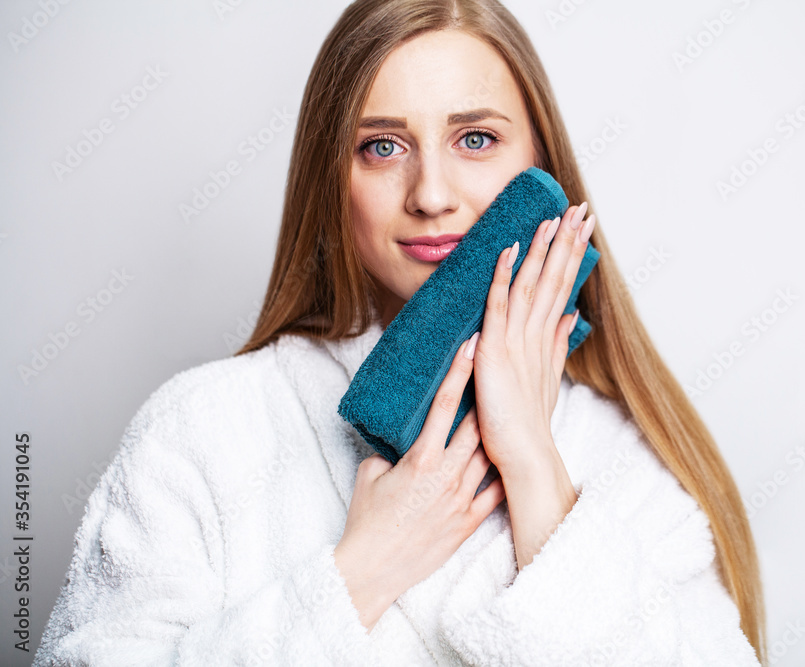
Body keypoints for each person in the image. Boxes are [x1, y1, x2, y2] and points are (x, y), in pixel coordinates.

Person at [35, 0, 767, 665]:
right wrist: (365, 568)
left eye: (475, 138)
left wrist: (535, 473)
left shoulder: (622, 461)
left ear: (539, 165)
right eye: (383, 147)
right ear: (332, 176)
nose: (432, 195)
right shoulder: (201, 431)